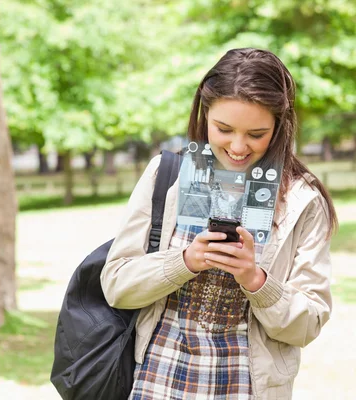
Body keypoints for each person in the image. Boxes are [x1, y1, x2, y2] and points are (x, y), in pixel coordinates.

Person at [101, 48, 337, 400]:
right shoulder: (166, 175)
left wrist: (256, 281)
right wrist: (184, 262)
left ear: (280, 126)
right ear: (204, 113)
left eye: (256, 134)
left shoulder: (302, 202)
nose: (238, 146)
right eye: (224, 129)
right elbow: (117, 285)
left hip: (245, 388)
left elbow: (308, 323)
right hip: (157, 383)